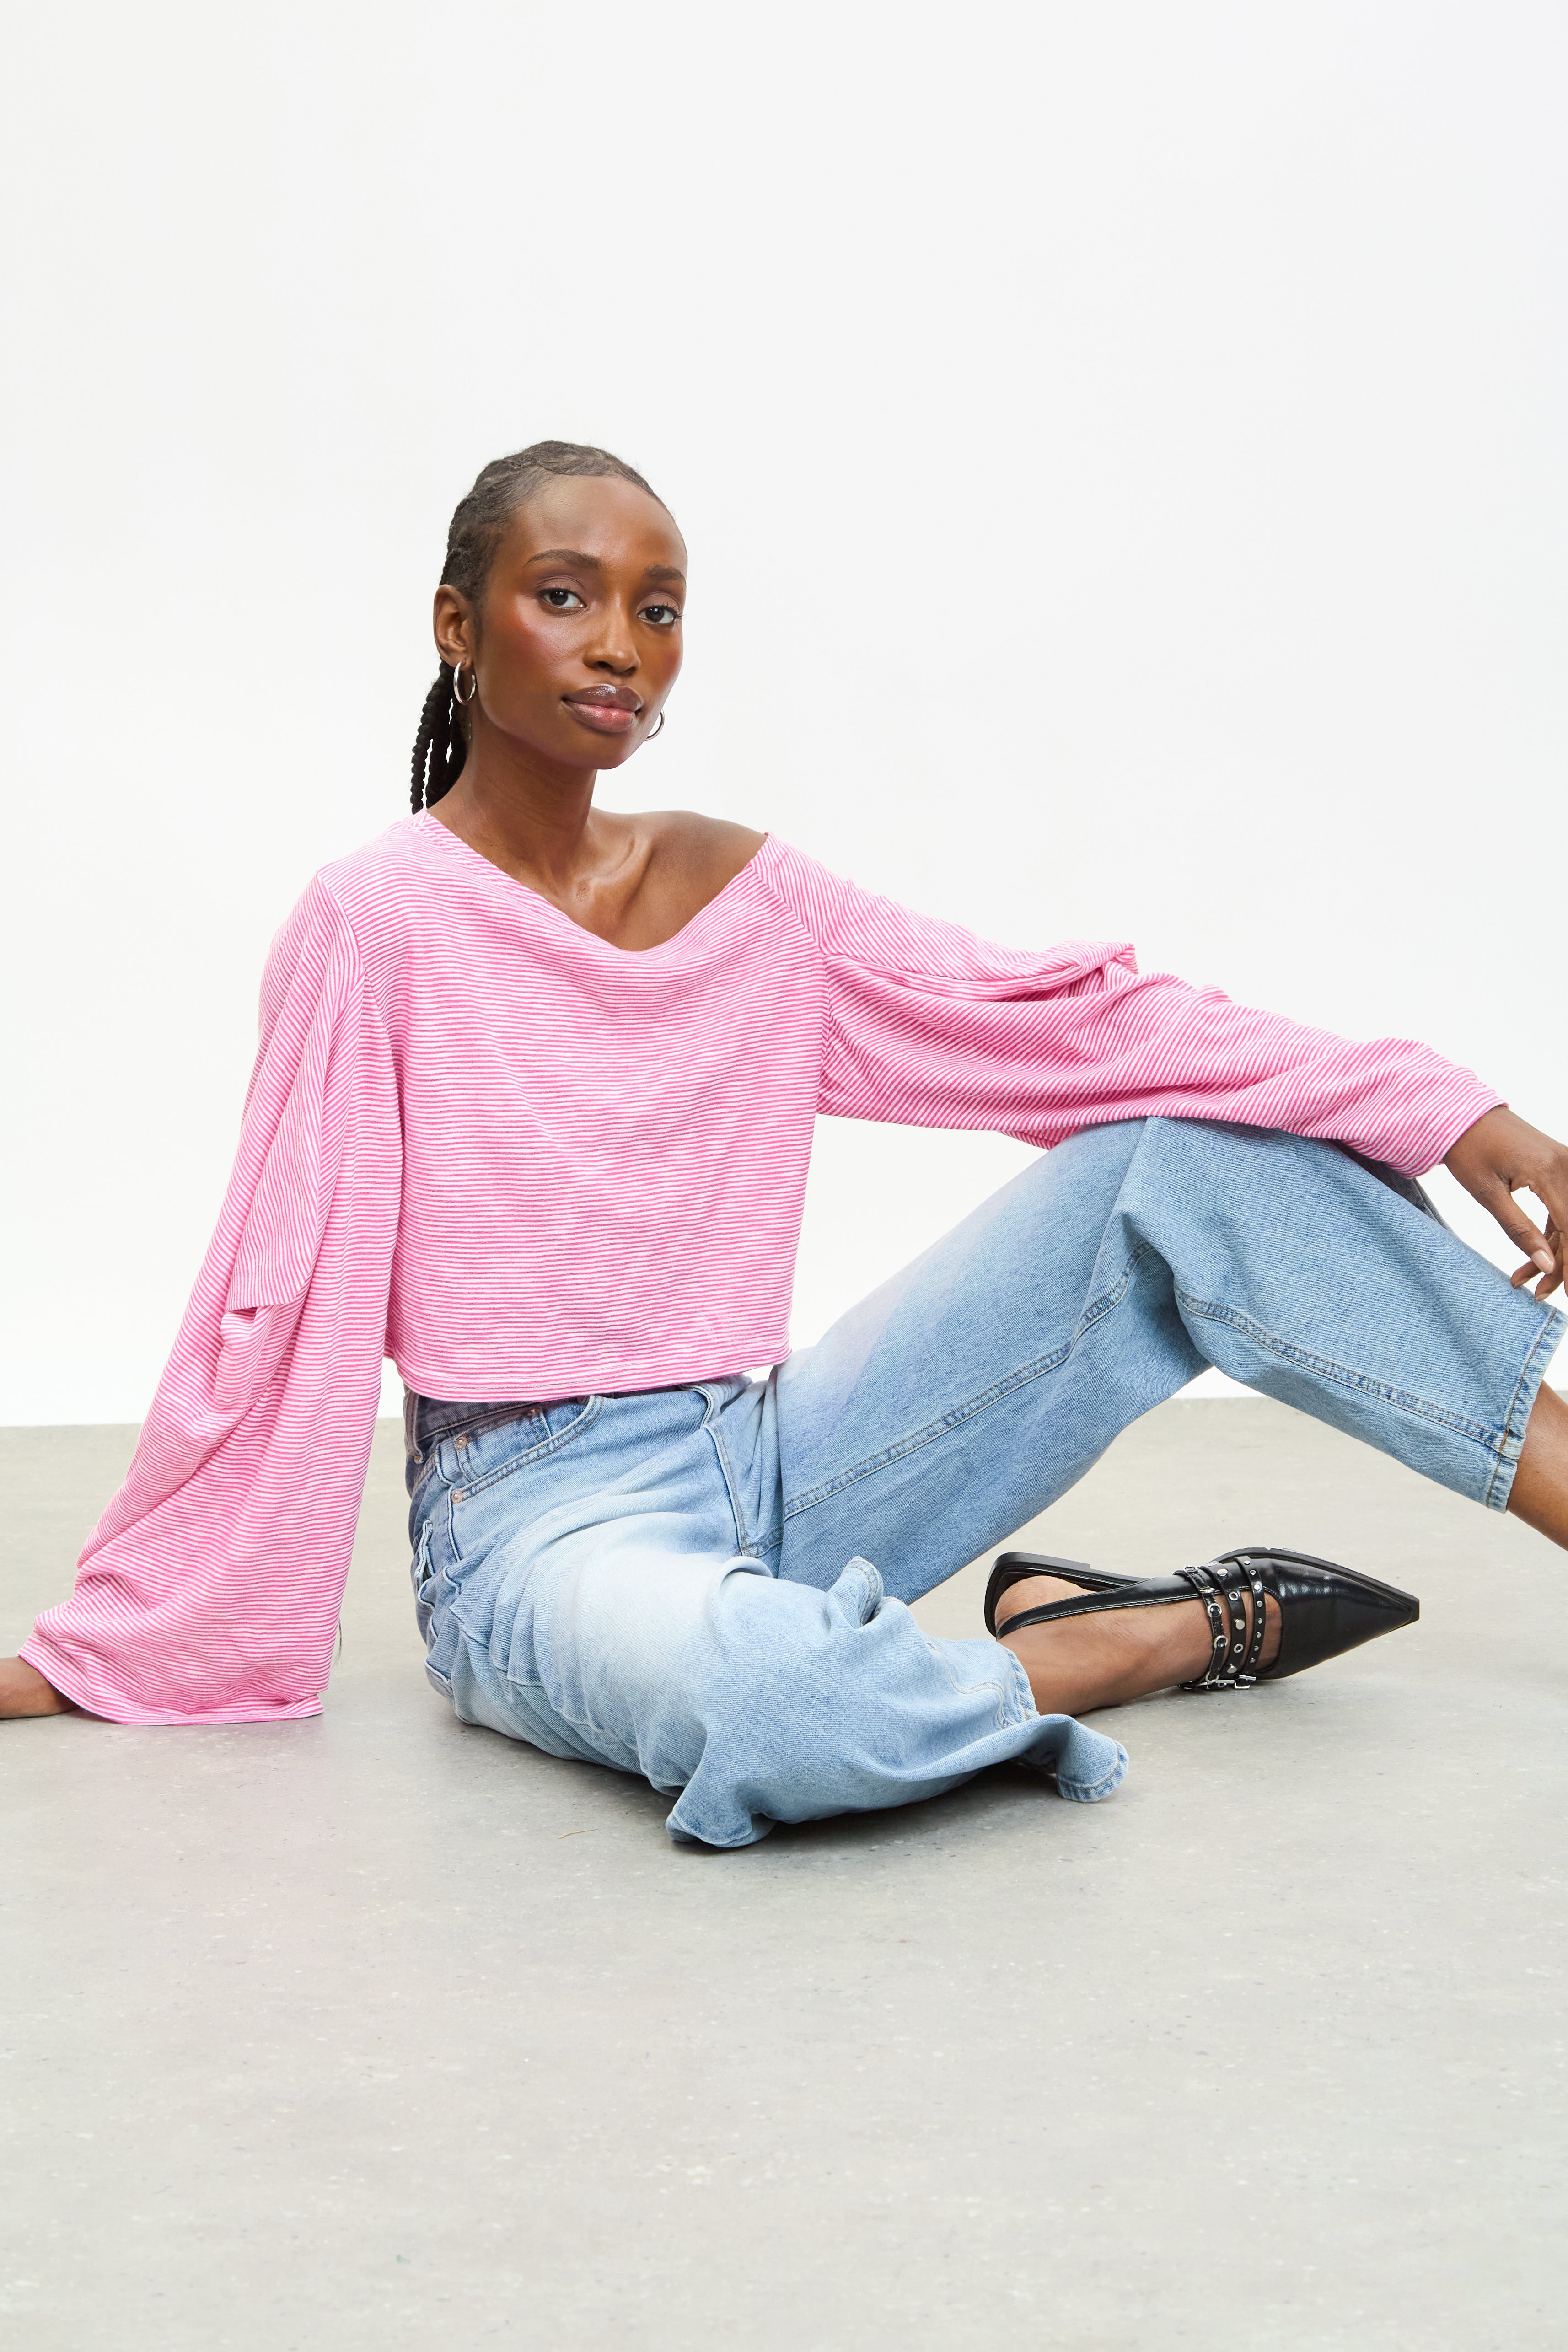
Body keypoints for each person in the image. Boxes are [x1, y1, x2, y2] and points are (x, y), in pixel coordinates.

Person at [6, 441, 1566, 1849]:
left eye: (659, 609)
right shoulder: (376, 923)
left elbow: (1073, 1025)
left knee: (1196, 1161)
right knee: (775, 1704)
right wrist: (134, 1641)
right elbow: (280, 1291)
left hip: (773, 1456)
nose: (620, 645)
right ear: (458, 626)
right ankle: (1103, 1647)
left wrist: (1435, 1106)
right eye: (565, 596)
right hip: (533, 1535)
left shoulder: (741, 895)